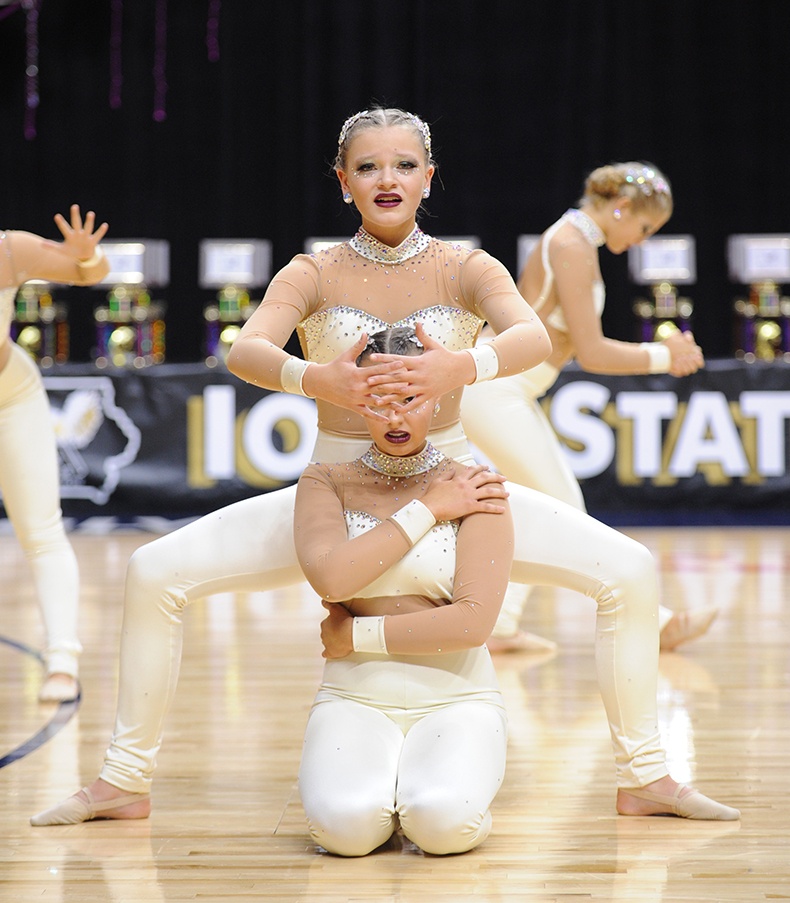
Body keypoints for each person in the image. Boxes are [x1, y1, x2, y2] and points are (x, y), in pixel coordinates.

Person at [31, 108, 738, 827]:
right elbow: (246, 349)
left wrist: (461, 364)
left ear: (430, 176)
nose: (387, 179)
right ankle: (123, 779)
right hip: (335, 497)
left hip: (455, 492)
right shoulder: (314, 269)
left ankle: (646, 773)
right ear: (344, 182)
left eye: (404, 164)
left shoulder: (466, 265)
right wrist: (318, 380)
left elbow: (530, 336)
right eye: (368, 166)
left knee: (629, 570)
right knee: (153, 571)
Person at [462, 163, 718, 654]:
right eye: (644, 228)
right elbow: (593, 352)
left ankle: (499, 626)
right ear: (620, 208)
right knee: (566, 511)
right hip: (493, 388)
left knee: (547, 508)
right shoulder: (572, 245)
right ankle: (654, 621)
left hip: (504, 389)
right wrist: (668, 355)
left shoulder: (574, 239)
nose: (641, 240)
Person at [296, 326, 512, 856]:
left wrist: (355, 633)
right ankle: (386, 796)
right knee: (344, 833)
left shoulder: (477, 485)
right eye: (378, 400)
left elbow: (472, 624)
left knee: (440, 827)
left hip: (457, 699)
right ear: (357, 401)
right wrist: (429, 510)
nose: (395, 418)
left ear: (436, 398)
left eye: (410, 400)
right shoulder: (325, 480)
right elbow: (332, 578)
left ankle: (422, 796)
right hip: (353, 697)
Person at [1, 206, 110, 703]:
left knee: (42, 532)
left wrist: (85, 259)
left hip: (11, 395)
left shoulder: (9, 249)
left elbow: (93, 274)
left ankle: (62, 661)